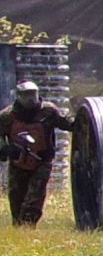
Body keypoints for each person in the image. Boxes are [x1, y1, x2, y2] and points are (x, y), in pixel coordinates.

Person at [0, 80, 75, 226]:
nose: (31, 99)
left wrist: (79, 122)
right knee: (16, 197)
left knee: (35, 195)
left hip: (42, 161)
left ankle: (28, 225)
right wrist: (5, 148)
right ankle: (19, 226)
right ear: (18, 97)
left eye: (33, 94)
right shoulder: (7, 116)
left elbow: (66, 123)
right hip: (18, 162)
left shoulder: (49, 111)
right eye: (27, 95)